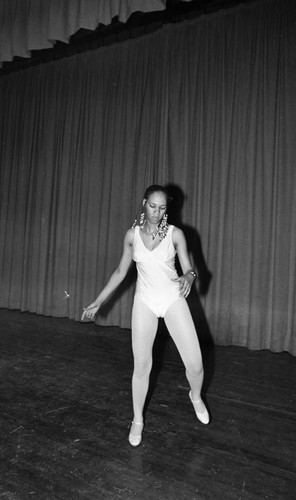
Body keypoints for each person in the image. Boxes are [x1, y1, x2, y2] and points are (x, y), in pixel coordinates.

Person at [82, 185, 210, 447]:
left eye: (162, 208)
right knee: (141, 367)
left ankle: (195, 396)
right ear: (144, 203)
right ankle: (137, 419)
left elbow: (190, 268)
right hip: (145, 303)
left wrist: (189, 275)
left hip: (173, 300)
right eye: (152, 206)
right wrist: (98, 302)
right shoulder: (132, 236)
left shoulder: (176, 235)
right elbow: (120, 272)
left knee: (196, 365)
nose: (156, 212)